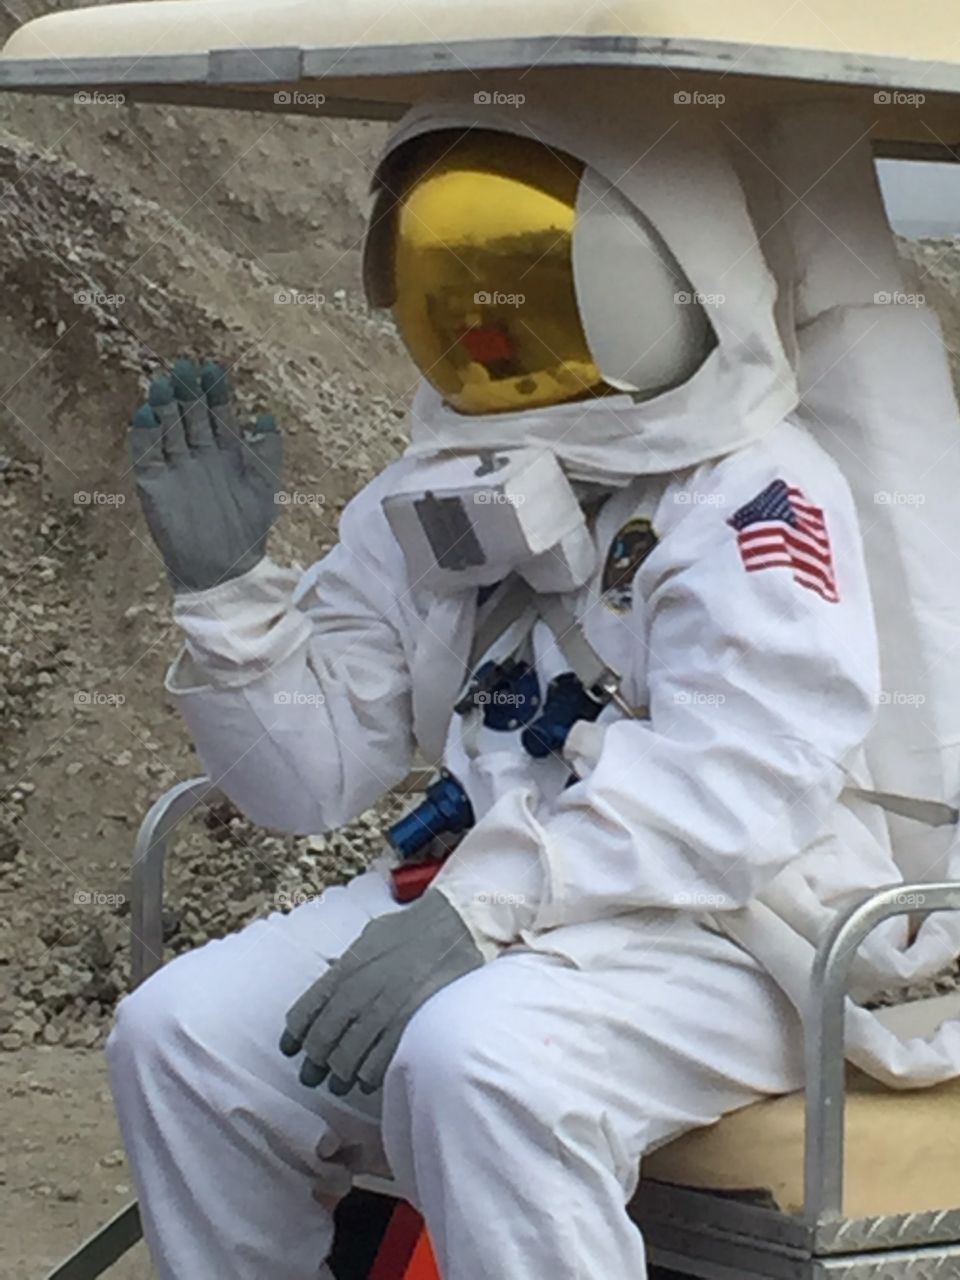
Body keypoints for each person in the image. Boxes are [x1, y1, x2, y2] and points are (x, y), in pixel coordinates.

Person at [108, 96, 898, 1279]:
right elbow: (311, 778)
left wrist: (486, 907)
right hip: (495, 898)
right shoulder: (430, 492)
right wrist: (230, 605)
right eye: (458, 276)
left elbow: (744, 778)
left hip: (735, 929)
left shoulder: (750, 498)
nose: (491, 324)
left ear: (663, 279)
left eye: (529, 278)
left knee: (479, 1059)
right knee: (178, 1037)